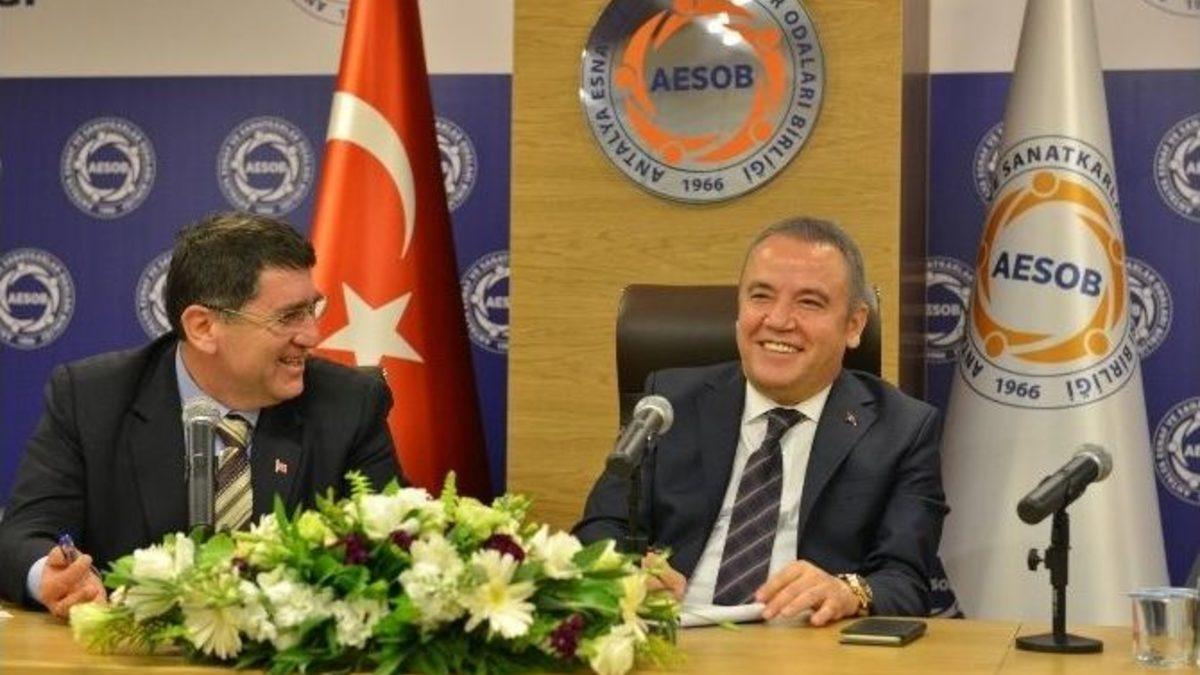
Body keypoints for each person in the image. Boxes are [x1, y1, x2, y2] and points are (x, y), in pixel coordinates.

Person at [0, 212, 403, 617]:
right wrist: (49, 575)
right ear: (203, 327)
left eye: (312, 308)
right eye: (288, 317)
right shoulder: (93, 398)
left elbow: (400, 546)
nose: (312, 335)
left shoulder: (349, 403)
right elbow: (21, 536)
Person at [575, 217, 947, 625]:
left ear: (854, 324)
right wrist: (630, 572)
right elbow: (599, 529)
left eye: (809, 302)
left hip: (806, 643)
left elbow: (905, 581)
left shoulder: (903, 429)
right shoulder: (668, 405)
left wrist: (846, 592)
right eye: (761, 296)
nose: (779, 320)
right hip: (675, 635)